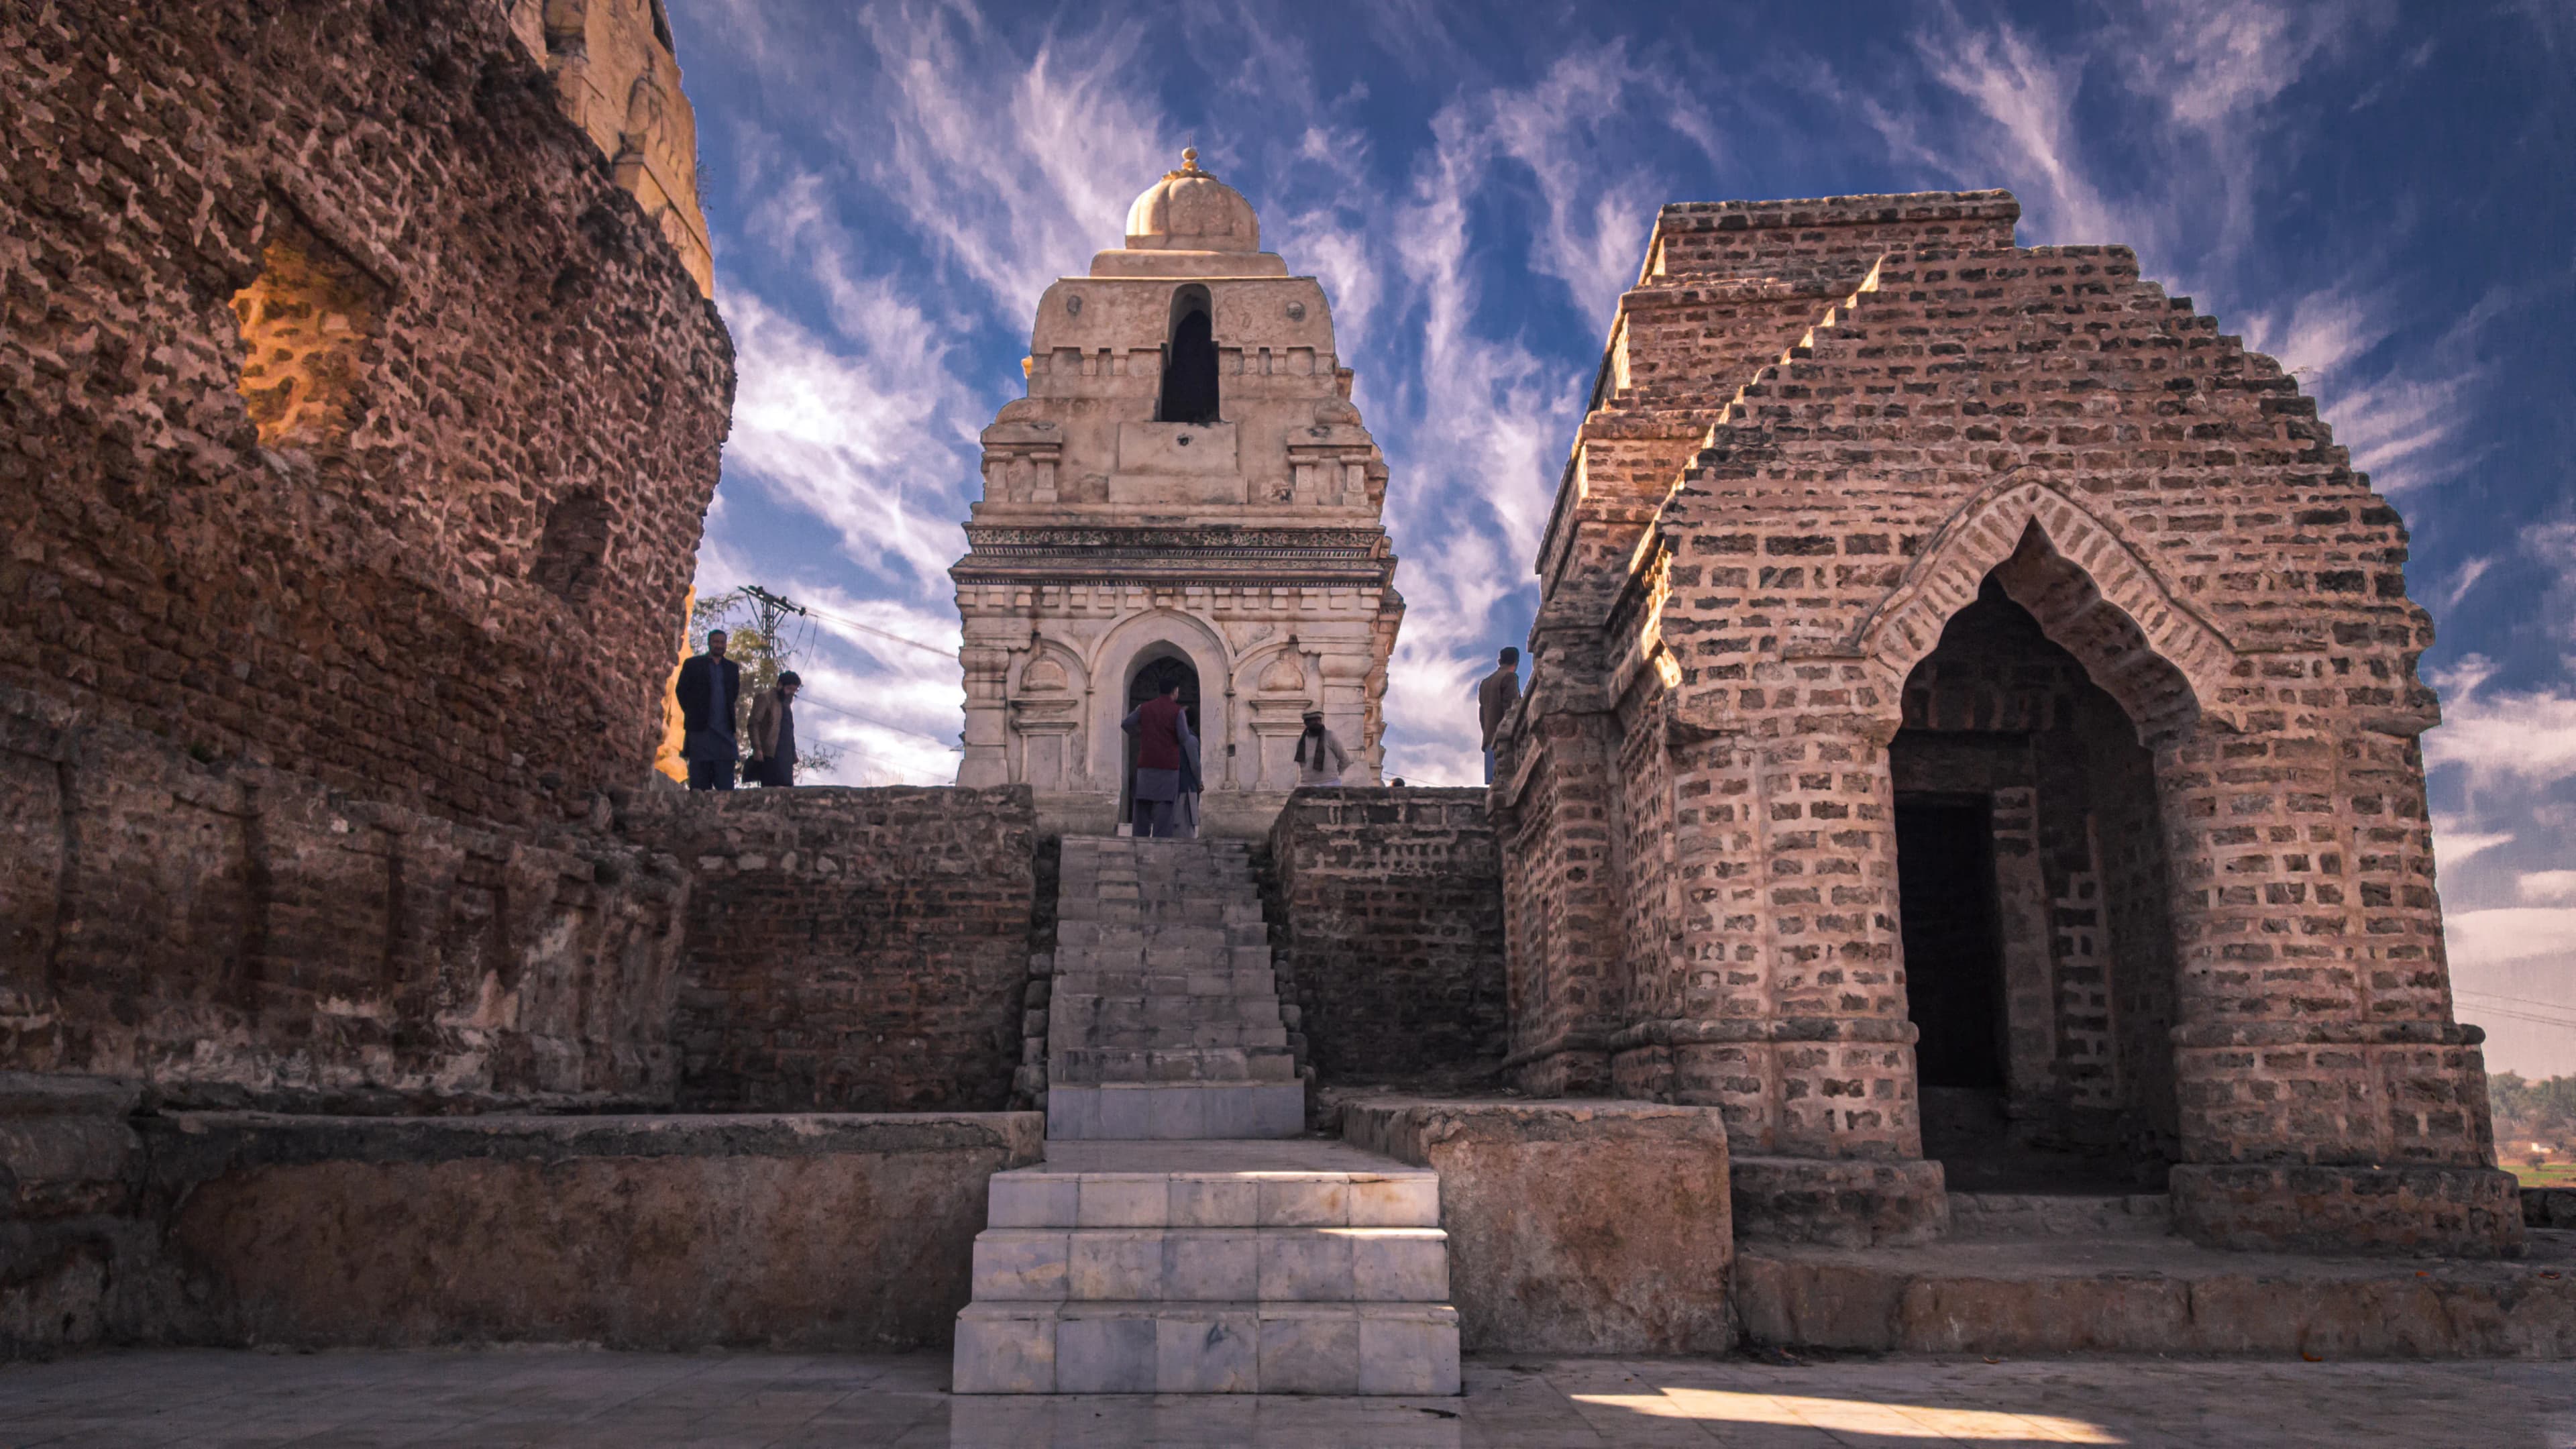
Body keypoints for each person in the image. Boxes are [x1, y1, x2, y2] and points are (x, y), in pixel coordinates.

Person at [1122, 678, 1197, 838]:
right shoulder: (1178, 712)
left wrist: (1141, 733)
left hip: (1146, 764)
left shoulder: (1144, 708)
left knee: (1142, 805)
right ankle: (1160, 843)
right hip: (1168, 766)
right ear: (1174, 691)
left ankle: (1138, 840)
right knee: (1165, 807)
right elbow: (1184, 737)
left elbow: (1126, 724)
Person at [675, 629, 743, 792]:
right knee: (699, 786)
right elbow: (681, 691)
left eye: (722, 642)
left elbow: (733, 695)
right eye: (716, 642)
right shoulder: (693, 665)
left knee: (726, 788)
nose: (719, 645)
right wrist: (694, 712)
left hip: (724, 733)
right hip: (700, 732)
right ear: (709, 643)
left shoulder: (732, 668)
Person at [746, 670, 802, 788]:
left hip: (786, 758)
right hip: (770, 755)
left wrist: (793, 754)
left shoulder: (786, 705)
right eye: (789, 689)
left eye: (794, 691)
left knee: (787, 793)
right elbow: (753, 724)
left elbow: (789, 731)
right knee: (770, 792)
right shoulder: (766, 698)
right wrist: (757, 748)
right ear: (780, 685)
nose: (791, 693)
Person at [1477, 645, 1522, 784]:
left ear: (1499, 661)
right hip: (1504, 742)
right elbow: (1512, 708)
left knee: (1494, 787)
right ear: (1516, 662)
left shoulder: (1485, 683)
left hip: (1488, 739)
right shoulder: (1510, 677)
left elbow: (1482, 714)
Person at [1293, 708, 1348, 787]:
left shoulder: (1330, 736)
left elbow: (1345, 760)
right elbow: (1301, 763)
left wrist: (1334, 774)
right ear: (1306, 723)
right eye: (1313, 721)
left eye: (1319, 720)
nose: (1317, 723)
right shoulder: (1302, 740)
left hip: (1330, 784)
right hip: (1307, 785)